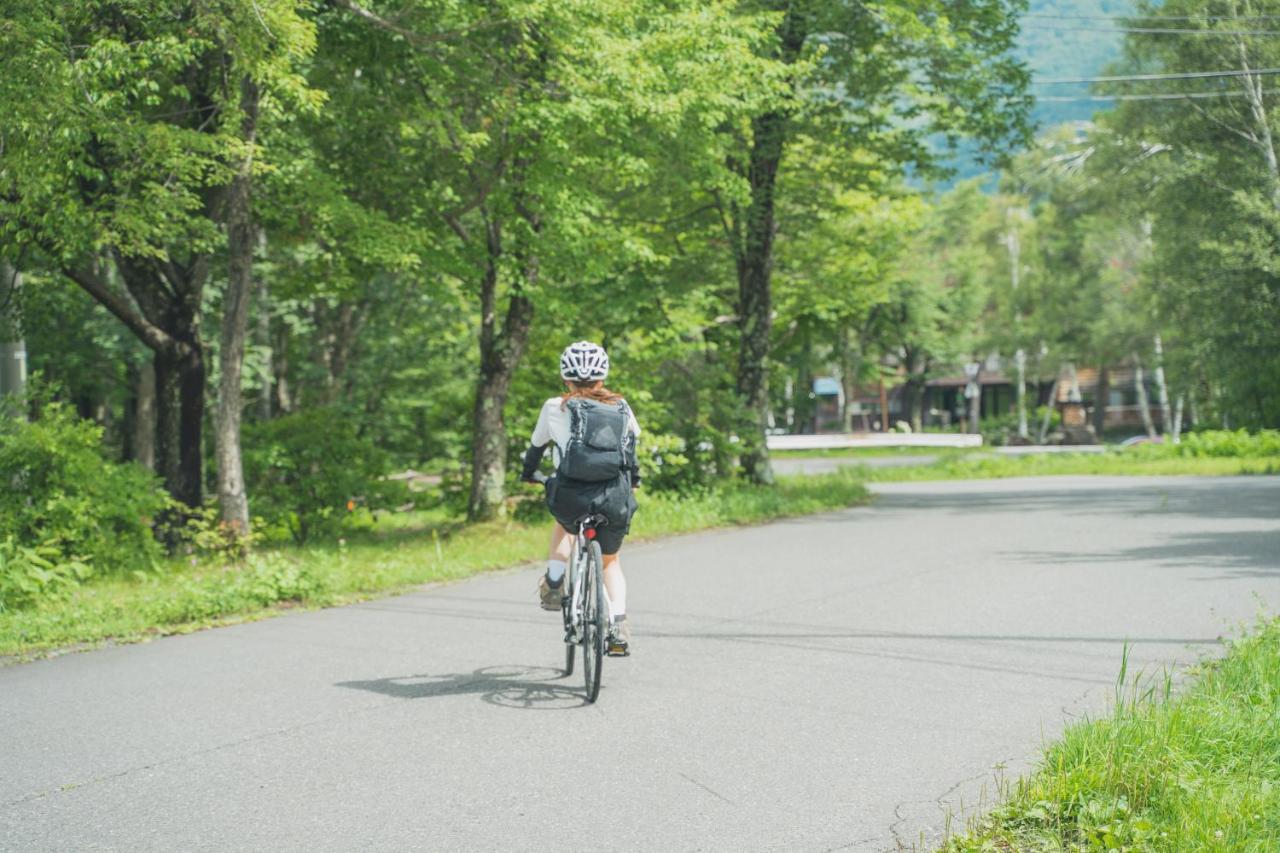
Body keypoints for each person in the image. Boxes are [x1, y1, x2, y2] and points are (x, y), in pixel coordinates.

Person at [520, 341, 640, 656]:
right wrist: (635, 483)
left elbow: (535, 449)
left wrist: (529, 474)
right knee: (610, 561)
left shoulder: (553, 407)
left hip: (570, 496)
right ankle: (618, 625)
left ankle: (555, 583)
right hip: (613, 496)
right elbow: (631, 451)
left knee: (566, 527)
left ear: (566, 378)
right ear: (602, 377)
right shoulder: (622, 406)